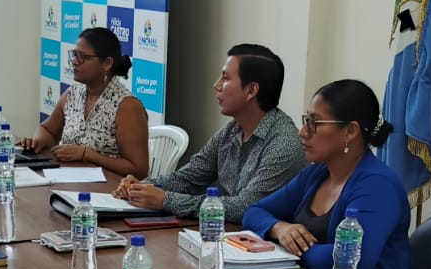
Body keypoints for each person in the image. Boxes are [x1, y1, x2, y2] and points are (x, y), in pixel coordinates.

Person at [241, 79, 417, 269]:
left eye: (314, 122)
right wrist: (280, 229)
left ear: (350, 131)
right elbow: (254, 212)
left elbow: (352, 262)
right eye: (306, 120)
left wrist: (294, 247)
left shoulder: (377, 186)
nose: (302, 132)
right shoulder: (317, 173)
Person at [113, 44, 305, 226]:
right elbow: (189, 178)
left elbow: (245, 208)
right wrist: (143, 186)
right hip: (226, 233)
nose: (216, 85)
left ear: (251, 90)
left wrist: (167, 200)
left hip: (263, 242)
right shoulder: (232, 131)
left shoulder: (284, 144)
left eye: (226, 78)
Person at [22, 28, 150, 178]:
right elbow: (48, 130)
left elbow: (138, 169)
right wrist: (36, 142)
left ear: (107, 63)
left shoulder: (127, 106)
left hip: (109, 187)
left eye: (82, 57)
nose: (74, 62)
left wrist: (87, 155)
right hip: (68, 179)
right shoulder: (73, 93)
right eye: (74, 55)